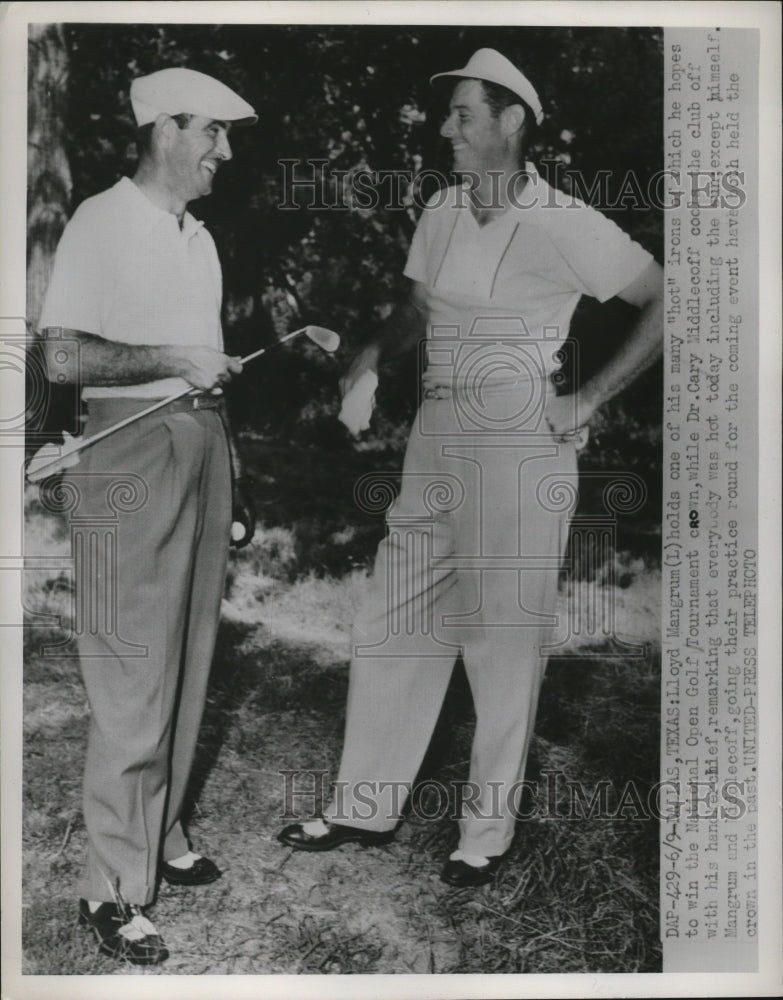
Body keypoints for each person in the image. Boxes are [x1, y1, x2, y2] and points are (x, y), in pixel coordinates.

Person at [278, 49, 663, 887]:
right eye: (445, 115)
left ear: (510, 121)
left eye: (461, 114)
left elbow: (665, 296)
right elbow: (412, 311)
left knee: (500, 634)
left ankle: (482, 835)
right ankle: (361, 806)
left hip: (521, 432)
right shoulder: (444, 211)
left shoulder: (565, 220)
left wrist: (587, 399)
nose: (444, 129)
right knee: (394, 611)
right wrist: (371, 364)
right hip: (438, 427)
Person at [38, 67, 257, 964]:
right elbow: (59, 356)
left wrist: (233, 473)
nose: (226, 152)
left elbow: (204, 374)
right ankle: (111, 888)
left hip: (199, 446)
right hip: (125, 453)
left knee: (189, 653)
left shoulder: (197, 238)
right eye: (213, 133)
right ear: (166, 129)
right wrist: (173, 354)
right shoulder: (100, 219)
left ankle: (160, 831)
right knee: (131, 668)